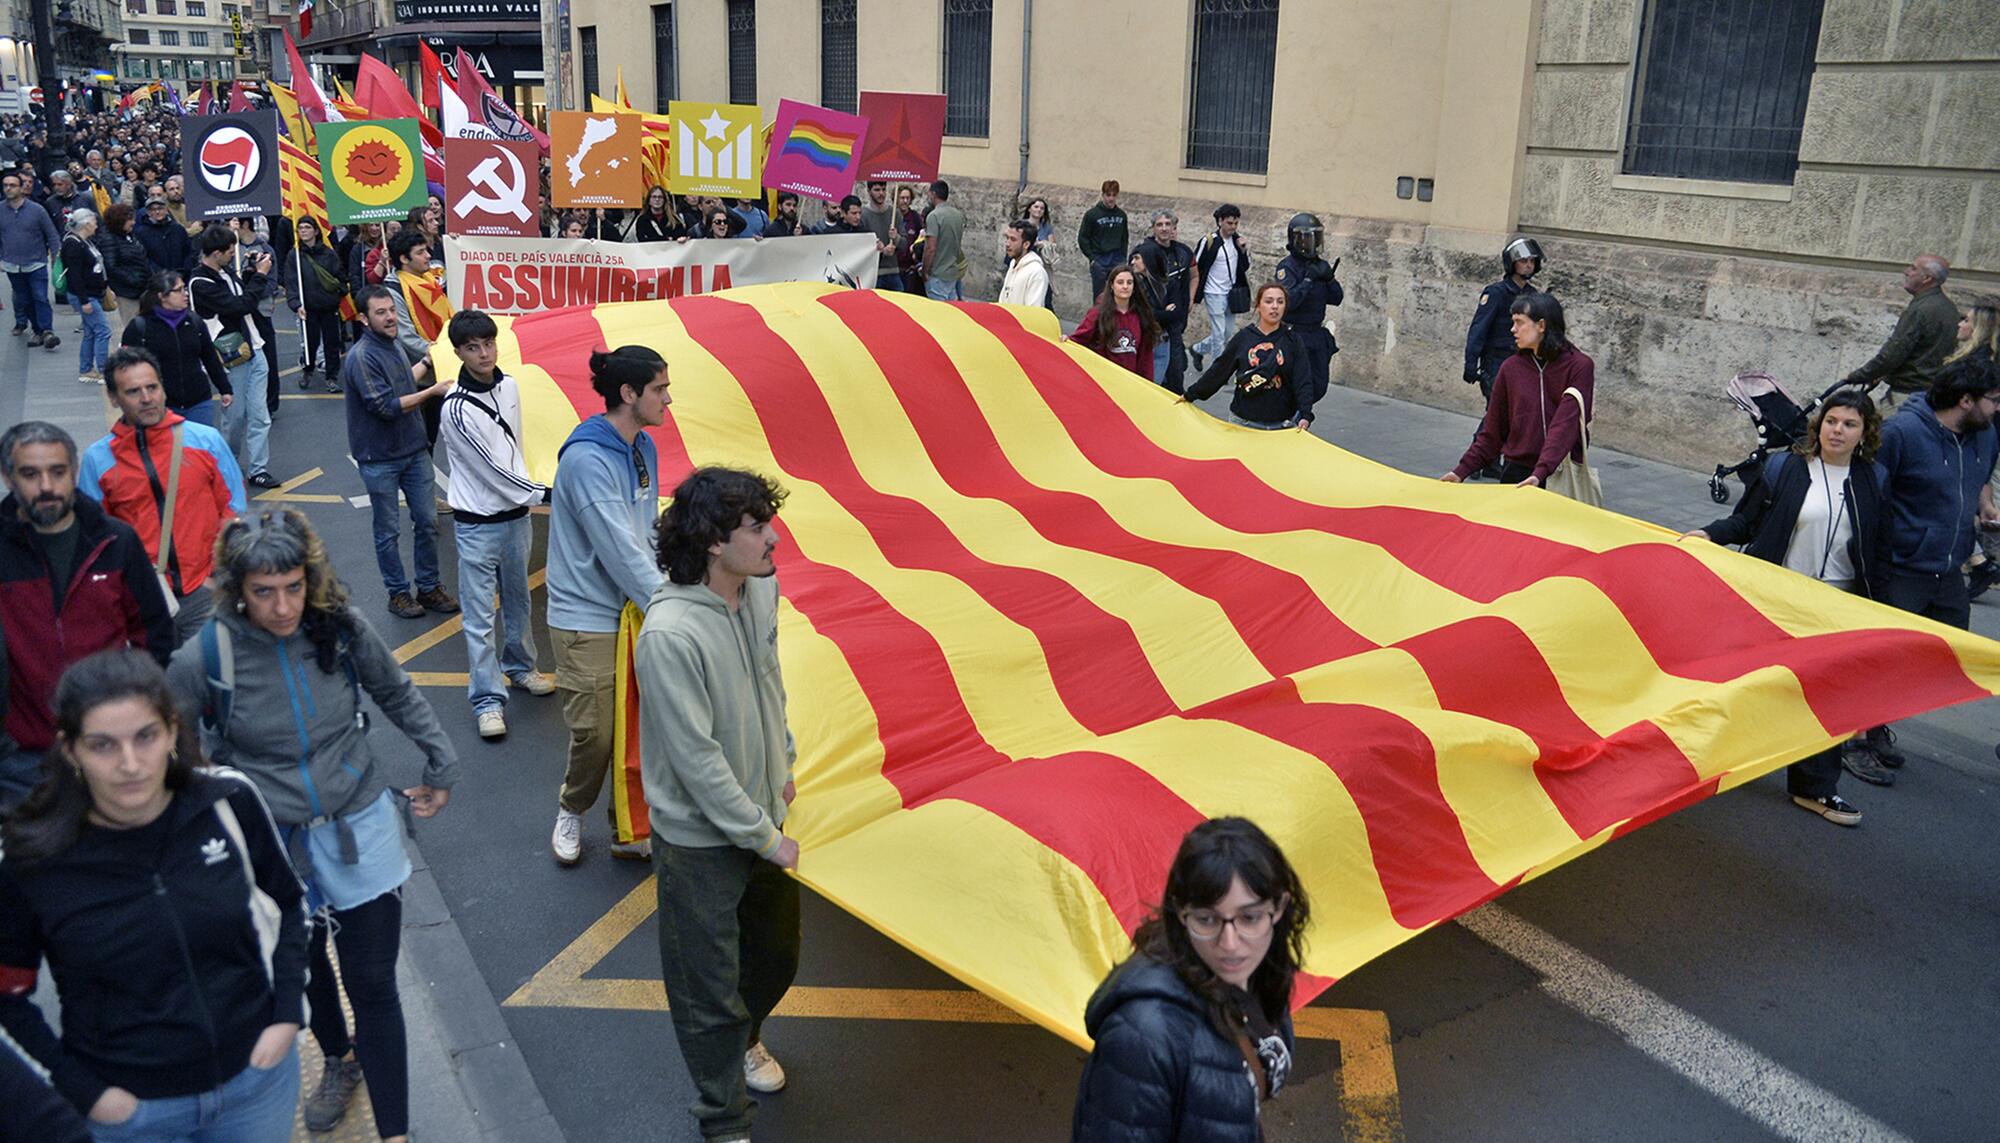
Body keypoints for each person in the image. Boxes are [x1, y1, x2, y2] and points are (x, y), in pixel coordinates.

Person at [165, 510, 457, 1143]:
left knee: (373, 982)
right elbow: (172, 749)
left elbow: (396, 690)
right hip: (272, 844)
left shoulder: (342, 629)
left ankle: (395, 1134)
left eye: (294, 587)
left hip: (359, 823)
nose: (282, 607)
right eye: (264, 592)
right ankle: (338, 1057)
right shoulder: (204, 657)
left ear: (311, 578)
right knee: (307, 969)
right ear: (237, 589)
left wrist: (441, 758)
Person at [0, 650, 308, 1142]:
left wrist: (289, 1013)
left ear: (170, 731)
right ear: (70, 749)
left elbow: (290, 904)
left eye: (145, 736)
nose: (129, 764)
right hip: (132, 1113)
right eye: (102, 745)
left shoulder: (227, 802)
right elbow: (6, 994)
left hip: (256, 1085)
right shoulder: (33, 859)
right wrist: (83, 1089)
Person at [639, 466, 801, 1142]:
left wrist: (783, 759)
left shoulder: (759, 592)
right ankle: (724, 1118)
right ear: (712, 541)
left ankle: (746, 1038)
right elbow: (697, 761)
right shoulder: (670, 635)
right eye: (756, 526)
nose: (772, 539)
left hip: (762, 816)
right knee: (707, 992)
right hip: (703, 844)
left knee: (775, 957)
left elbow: (771, 681)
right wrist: (765, 836)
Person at [1683, 391, 1886, 825]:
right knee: (1748, 684)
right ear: (1819, 425)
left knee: (1829, 697)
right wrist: (1708, 533)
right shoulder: (1788, 468)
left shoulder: (1873, 480)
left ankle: (1816, 788)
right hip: (1776, 597)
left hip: (1836, 605)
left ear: (1864, 433)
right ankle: (1700, 760)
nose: (1838, 430)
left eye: (1849, 424)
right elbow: (1746, 521)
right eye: (1831, 421)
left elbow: (1876, 547)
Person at [1071, 817, 1309, 1143]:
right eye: (1207, 919)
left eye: (1249, 917)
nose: (1229, 943)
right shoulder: (1142, 1036)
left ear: (1278, 908)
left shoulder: (1261, 970)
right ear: (1180, 913)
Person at [0, 422, 175, 808]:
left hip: (111, 749)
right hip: (23, 762)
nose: (46, 486)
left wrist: (136, 718)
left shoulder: (116, 541)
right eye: (30, 474)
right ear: (8, 477)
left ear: (75, 472)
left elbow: (155, 637)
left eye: (57, 472)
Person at [547, 347, 672, 865]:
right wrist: (671, 605)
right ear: (629, 394)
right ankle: (570, 809)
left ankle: (627, 826)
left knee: (639, 728)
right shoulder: (586, 461)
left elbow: (646, 531)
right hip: (589, 619)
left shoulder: (642, 447)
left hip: (636, 609)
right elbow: (619, 549)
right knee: (597, 735)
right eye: (660, 389)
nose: (669, 399)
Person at [1852, 364, 2000, 783]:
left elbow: (1980, 474)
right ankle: (1857, 740)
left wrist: (1984, 508)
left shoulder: (1984, 433)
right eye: (1994, 399)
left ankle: (1876, 724)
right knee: (1882, 659)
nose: (1998, 408)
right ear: (1965, 400)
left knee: (1939, 657)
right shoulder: (1903, 433)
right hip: (1902, 567)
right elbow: (1871, 494)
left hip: (1948, 566)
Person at [438, 309, 555, 739]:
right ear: (458, 353)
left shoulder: (509, 387)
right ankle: (487, 701)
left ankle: (522, 667)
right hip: (477, 525)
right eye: (473, 347)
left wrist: (529, 497)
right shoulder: (454, 410)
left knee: (520, 601)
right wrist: (545, 494)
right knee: (479, 616)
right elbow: (493, 473)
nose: (484, 353)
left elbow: (514, 449)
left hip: (515, 520)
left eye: (488, 343)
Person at [79, 347, 247, 644]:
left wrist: (217, 577)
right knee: (160, 687)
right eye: (133, 391)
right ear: (114, 398)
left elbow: (233, 509)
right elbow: (96, 539)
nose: (146, 398)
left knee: (215, 683)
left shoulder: (204, 441)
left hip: (205, 595)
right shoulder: (98, 459)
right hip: (144, 603)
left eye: (152, 387)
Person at [341, 287, 458, 619]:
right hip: (380, 458)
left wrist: (425, 362)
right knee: (388, 530)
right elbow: (386, 406)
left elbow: (403, 383)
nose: (390, 317)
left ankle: (429, 587)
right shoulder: (362, 357)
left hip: (413, 451)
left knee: (427, 521)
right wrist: (432, 391)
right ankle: (398, 593)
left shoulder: (391, 347)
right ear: (363, 319)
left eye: (392, 310)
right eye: (380, 312)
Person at [1443, 291, 1595, 487]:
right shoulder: (1511, 368)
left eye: (1519, 322)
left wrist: (1541, 472)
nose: (1513, 329)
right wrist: (1461, 471)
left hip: (1561, 471)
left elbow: (1566, 424)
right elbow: (1493, 429)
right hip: (1516, 471)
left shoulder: (1579, 366)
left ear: (1541, 325)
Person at [189, 224, 276, 488]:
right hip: (230, 357)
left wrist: (250, 272)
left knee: (260, 415)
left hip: (254, 348)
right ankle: (227, 464)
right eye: (229, 252)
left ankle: (258, 468)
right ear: (215, 253)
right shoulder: (201, 283)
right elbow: (240, 305)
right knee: (235, 417)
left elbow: (241, 296)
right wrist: (260, 276)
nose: (231, 256)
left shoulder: (225, 272)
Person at [1184, 282, 1315, 432]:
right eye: (1268, 301)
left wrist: (1305, 414)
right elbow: (1219, 370)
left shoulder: (1293, 341)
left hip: (1281, 425)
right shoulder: (1243, 338)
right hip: (1244, 422)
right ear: (1258, 306)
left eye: (1280, 302)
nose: (1274, 306)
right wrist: (1190, 394)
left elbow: (1303, 379)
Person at [1841, 254, 1960, 408]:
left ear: (1927, 279)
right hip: (1928, 394)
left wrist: (1858, 376)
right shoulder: (1948, 307)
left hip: (1907, 396)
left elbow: (1893, 352)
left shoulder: (1921, 309)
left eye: (1913, 268)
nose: (1906, 272)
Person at [122, 270, 233, 427]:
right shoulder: (140, 327)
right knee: (169, 450)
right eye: (179, 290)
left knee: (198, 449)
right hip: (162, 405)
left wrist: (224, 388)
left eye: (185, 289)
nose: (185, 294)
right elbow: (126, 369)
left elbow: (209, 357)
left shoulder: (194, 322)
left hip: (198, 401)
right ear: (162, 296)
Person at [1274, 212, 1343, 405]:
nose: (1310, 243)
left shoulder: (1319, 265)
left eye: (1314, 237)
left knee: (1318, 385)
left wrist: (1329, 279)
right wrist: (1307, 281)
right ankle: (1294, 419)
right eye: (1305, 238)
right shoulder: (1287, 267)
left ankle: (1301, 413)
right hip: (1296, 334)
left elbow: (1337, 298)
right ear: (1294, 239)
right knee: (1297, 385)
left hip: (1316, 335)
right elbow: (1289, 301)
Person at [285, 215, 348, 394]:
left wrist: (339, 293)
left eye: (306, 227)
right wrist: (296, 304)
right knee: (309, 343)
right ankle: (308, 370)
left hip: (328, 306)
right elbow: (291, 282)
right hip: (308, 307)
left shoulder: (328, 253)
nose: (303, 231)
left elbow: (340, 275)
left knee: (332, 343)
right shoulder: (295, 255)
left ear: (316, 230)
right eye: (300, 228)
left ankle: (332, 377)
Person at [1133, 210, 1195, 391]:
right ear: (1153, 228)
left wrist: (1190, 298)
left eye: (1168, 224)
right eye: (1159, 225)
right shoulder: (1143, 252)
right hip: (1150, 328)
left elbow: (1194, 275)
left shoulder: (1183, 252)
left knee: (1177, 369)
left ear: (1174, 227)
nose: (1164, 228)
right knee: (1152, 373)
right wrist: (1162, 313)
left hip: (1175, 321)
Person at [1, 167, 60, 348]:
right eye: (5, 185)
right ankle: (37, 330)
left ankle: (47, 331)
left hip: (35, 261)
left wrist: (56, 256)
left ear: (21, 188)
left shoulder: (37, 210)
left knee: (40, 297)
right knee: (24, 299)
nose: (8, 188)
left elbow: (51, 234)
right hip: (12, 264)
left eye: (12, 185)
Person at [1070, 263, 1158, 380]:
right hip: (1103, 380)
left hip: (1130, 381)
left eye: (1129, 283)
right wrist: (1066, 342)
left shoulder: (1141, 315)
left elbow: (1145, 357)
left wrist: (1147, 384)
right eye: (1120, 282)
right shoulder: (1098, 313)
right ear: (1112, 285)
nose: (1125, 286)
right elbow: (1079, 339)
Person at [1189, 204, 1248, 372]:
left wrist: (1244, 250)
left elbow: (1245, 266)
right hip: (1213, 292)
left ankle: (1198, 349)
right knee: (1218, 333)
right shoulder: (1209, 241)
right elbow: (1195, 266)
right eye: (1229, 223)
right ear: (1220, 221)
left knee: (1227, 333)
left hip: (1232, 293)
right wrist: (1193, 294)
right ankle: (1217, 372)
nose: (1233, 227)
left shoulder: (1237, 240)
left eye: (1236, 223)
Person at [58, 209, 111, 382]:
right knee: (103, 331)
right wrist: (84, 301)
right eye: (95, 222)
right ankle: (103, 369)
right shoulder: (74, 244)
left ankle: (86, 369)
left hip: (91, 292)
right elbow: (75, 275)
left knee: (90, 332)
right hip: (85, 295)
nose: (96, 226)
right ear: (86, 224)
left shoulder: (83, 241)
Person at [95, 202, 150, 326]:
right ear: (119, 220)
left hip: (141, 289)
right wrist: (134, 279)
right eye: (130, 219)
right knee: (132, 326)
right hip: (127, 293)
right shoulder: (108, 239)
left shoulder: (129, 236)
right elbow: (111, 267)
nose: (133, 222)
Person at [1077, 179, 1129, 302]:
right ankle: (1098, 319)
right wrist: (1092, 258)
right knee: (1100, 296)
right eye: (1108, 195)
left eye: (1114, 195)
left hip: (1117, 258)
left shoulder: (1121, 215)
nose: (1111, 198)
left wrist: (1123, 256)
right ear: (1103, 195)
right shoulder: (1092, 214)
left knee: (1119, 293)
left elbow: (1124, 238)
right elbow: (1083, 237)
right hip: (1099, 259)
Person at [921, 180, 967, 301]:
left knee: (936, 312)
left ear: (933, 194)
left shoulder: (934, 216)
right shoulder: (958, 215)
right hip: (953, 271)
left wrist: (925, 271)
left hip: (937, 273)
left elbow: (930, 248)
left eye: (929, 193)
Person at [860, 180, 904, 291]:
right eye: (877, 190)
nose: (881, 193)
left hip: (893, 270)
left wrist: (896, 238)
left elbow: (905, 244)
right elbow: (861, 247)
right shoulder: (863, 215)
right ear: (869, 191)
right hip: (873, 273)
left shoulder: (895, 213)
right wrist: (882, 251)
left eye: (884, 189)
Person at [132, 194, 191, 276]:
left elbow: (189, 252)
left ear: (166, 210)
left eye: (160, 208)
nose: (157, 212)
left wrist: (184, 270)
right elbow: (143, 259)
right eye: (152, 209)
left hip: (182, 275)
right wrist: (160, 274)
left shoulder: (178, 229)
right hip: (158, 279)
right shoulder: (140, 233)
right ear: (148, 212)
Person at [997, 219, 1050, 308]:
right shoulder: (1013, 264)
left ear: (1026, 244)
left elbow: (1033, 311)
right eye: (1007, 238)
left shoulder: (1037, 273)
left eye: (1013, 239)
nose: (1007, 244)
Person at [893, 185, 926, 294]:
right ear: (896, 199)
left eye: (908, 198)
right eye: (902, 198)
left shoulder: (915, 217)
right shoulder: (891, 216)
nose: (905, 201)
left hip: (909, 269)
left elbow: (921, 237)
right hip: (893, 268)